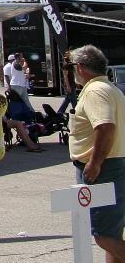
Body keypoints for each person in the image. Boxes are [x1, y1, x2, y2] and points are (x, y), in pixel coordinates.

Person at [68, 44, 125, 262]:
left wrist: (95, 163)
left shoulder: (94, 91)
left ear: (80, 67)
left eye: (71, 66)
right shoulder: (109, 88)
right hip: (112, 164)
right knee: (111, 233)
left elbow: (105, 127)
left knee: (103, 235)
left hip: (104, 167)